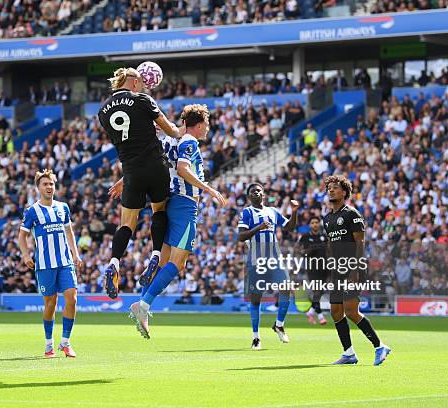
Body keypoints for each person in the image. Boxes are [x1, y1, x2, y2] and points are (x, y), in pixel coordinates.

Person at [109, 104, 226, 339]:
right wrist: (208, 188)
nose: (208, 129)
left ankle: (142, 303)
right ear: (200, 124)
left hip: (170, 202)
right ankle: (143, 305)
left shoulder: (169, 141)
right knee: (178, 262)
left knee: (162, 262)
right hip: (184, 205)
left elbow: (149, 163)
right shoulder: (189, 142)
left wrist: (125, 180)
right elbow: (183, 168)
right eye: (207, 125)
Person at [98, 67, 183, 300]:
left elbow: (132, 140)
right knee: (159, 209)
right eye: (141, 82)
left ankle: (114, 262)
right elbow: (172, 131)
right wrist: (180, 131)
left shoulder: (102, 111)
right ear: (134, 82)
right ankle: (155, 254)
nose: (144, 85)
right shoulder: (143, 99)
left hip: (132, 172)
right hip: (156, 167)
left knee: (127, 223)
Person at [322, 175, 391, 365]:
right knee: (336, 310)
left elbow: (360, 242)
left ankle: (379, 346)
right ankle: (349, 354)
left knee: (351, 311)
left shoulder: (351, 214)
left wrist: (355, 269)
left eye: (335, 187)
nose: (331, 190)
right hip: (337, 269)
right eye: (329, 188)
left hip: (352, 267)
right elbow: (331, 244)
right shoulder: (327, 219)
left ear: (344, 192)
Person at [18, 169, 82, 358]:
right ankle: (48, 344)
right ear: (38, 187)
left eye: (51, 184)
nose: (49, 187)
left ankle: (66, 342)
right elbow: (22, 235)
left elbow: (69, 232)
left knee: (72, 299)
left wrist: (75, 254)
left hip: (65, 262)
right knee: (51, 304)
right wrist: (25, 255)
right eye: (45, 184)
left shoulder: (63, 208)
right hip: (45, 265)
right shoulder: (32, 211)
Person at [238, 183, 299, 350]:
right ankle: (256, 337)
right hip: (256, 258)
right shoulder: (247, 212)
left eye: (259, 190)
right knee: (256, 299)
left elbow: (289, 227)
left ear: (263, 194)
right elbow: (241, 236)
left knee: (286, 288)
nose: (256, 193)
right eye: (253, 191)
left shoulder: (272, 211)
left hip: (274, 256)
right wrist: (259, 227)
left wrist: (294, 212)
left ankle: (279, 325)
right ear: (249, 197)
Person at [298, 216, 328, 325]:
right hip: (312, 268)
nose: (315, 224)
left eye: (316, 222)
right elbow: (302, 252)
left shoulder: (324, 237)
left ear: (319, 224)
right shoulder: (305, 237)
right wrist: (314, 248)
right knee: (317, 291)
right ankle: (320, 316)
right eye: (312, 222)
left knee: (320, 291)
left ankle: (310, 311)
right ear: (310, 225)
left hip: (325, 267)